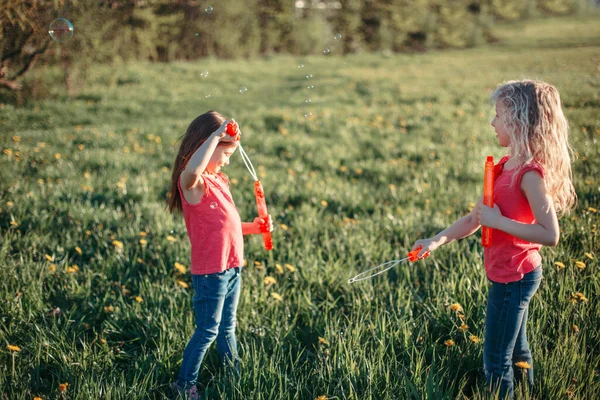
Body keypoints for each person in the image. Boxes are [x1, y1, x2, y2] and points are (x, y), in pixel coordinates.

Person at [411, 80, 576, 399]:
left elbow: (549, 234)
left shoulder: (530, 175)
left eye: (498, 115)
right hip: (508, 272)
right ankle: (528, 393)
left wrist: (499, 221)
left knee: (496, 361)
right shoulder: (503, 168)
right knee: (517, 350)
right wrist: (436, 240)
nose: (492, 122)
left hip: (515, 276)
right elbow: (475, 219)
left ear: (518, 121)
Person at [166, 111, 273, 399]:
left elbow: (229, 225)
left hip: (232, 268)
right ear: (206, 146)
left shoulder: (219, 180)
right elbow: (192, 171)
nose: (227, 160)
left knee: (228, 327)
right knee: (207, 331)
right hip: (211, 273)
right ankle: (184, 384)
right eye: (225, 153)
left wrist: (256, 226)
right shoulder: (192, 184)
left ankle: (233, 373)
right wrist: (216, 136)